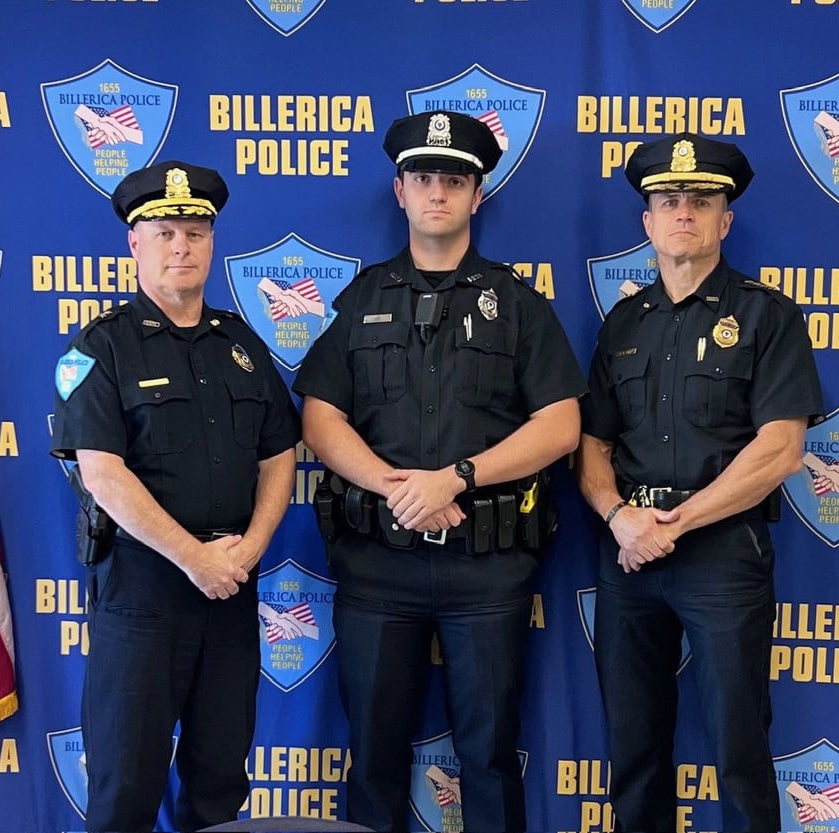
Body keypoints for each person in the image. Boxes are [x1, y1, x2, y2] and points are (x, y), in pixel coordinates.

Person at [293, 111, 586, 833]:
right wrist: (400, 487)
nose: (438, 194)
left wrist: (454, 477)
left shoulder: (516, 305)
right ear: (399, 190)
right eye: (424, 178)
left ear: (477, 196)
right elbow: (321, 417)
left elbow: (561, 426)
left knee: (487, 756)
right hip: (378, 566)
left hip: (486, 572)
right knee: (373, 758)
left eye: (454, 181)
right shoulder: (362, 300)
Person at [576, 133, 824, 832]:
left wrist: (673, 524)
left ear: (726, 220)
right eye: (668, 200)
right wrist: (619, 515)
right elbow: (592, 444)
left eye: (702, 199)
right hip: (629, 555)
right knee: (633, 746)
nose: (684, 211)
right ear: (648, 222)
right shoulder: (623, 323)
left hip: (720, 556)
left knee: (738, 748)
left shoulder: (765, 315)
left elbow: (779, 450)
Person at [50, 160, 301, 832]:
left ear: (213, 241)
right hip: (143, 596)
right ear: (135, 244)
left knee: (220, 785)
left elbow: (281, 454)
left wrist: (250, 547)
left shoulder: (242, 345)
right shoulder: (100, 349)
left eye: (195, 230)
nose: (182, 245)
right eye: (165, 232)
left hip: (229, 590)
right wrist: (194, 556)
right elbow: (102, 472)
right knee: (126, 788)